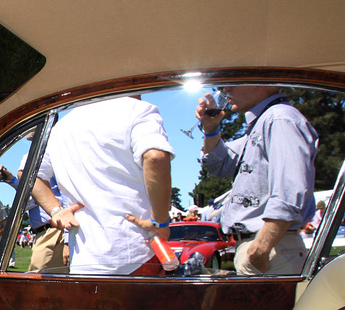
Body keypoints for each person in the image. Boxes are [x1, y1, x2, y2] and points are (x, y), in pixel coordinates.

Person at [31, 96, 175, 275]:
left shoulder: (61, 128)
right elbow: (155, 157)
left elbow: (31, 174)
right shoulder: (137, 110)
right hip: (136, 254)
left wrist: (55, 210)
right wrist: (160, 222)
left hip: (84, 260)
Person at [196, 87, 318, 275]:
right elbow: (220, 165)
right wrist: (211, 129)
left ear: (264, 84)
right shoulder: (266, 120)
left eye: (234, 82)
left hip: (271, 249)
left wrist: (261, 247)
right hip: (267, 248)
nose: (225, 89)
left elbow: (291, 187)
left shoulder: (279, 118)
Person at [0, 164, 69, 273]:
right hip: (44, 232)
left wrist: (67, 240)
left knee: (37, 282)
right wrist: (11, 180)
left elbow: (67, 198)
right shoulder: (38, 159)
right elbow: (32, 193)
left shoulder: (54, 162)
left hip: (54, 231)